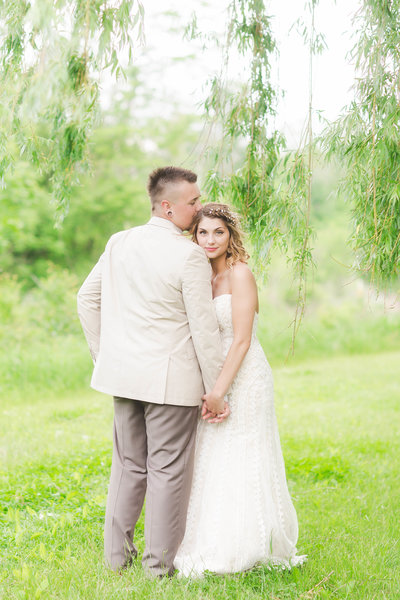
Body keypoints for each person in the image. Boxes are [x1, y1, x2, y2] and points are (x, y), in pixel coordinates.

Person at [77, 167, 229, 577]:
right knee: (167, 472)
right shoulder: (189, 255)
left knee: (128, 466)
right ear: (168, 206)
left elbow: (86, 300)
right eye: (193, 202)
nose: (199, 209)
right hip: (171, 383)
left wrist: (104, 355)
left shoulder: (119, 242)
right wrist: (218, 389)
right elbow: (204, 328)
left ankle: (115, 562)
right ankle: (157, 570)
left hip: (122, 376)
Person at [174, 203, 307, 577]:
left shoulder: (240, 274)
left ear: (231, 235)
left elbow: (242, 340)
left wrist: (219, 392)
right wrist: (210, 387)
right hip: (216, 377)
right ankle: (207, 539)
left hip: (245, 376)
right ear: (193, 236)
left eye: (219, 232)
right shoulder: (202, 276)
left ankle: (241, 547)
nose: (211, 240)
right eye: (203, 233)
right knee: (212, 457)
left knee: (242, 454)